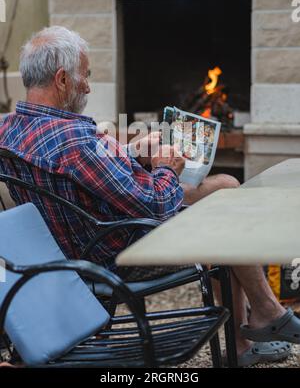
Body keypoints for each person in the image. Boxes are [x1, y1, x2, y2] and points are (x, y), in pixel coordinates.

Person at [0, 26, 299, 367]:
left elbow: (77, 171)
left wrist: (127, 153)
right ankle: (260, 320)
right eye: (85, 76)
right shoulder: (73, 141)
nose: (89, 86)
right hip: (117, 250)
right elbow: (155, 204)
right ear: (62, 80)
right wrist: (166, 167)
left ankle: (255, 325)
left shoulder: (11, 127)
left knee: (226, 188)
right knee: (226, 213)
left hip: (77, 239)